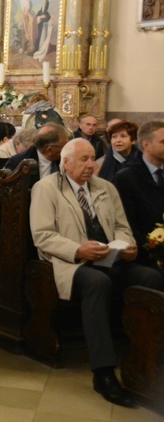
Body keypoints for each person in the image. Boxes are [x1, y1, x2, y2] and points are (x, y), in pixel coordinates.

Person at [30, 138, 163, 407]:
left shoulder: (106, 187)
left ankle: (148, 357)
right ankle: (103, 372)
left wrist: (127, 246)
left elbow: (122, 226)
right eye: (83, 159)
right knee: (97, 282)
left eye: (93, 158)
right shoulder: (45, 188)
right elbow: (42, 236)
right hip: (69, 262)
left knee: (150, 277)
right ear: (65, 163)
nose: (91, 164)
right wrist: (79, 250)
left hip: (108, 258)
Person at [115, 121, 164, 267]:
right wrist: (155, 250)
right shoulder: (127, 177)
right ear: (146, 145)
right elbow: (128, 224)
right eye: (163, 142)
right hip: (147, 252)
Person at [5, 122, 68, 187]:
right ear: (49, 150)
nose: (67, 149)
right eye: (64, 146)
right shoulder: (18, 163)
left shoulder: (67, 160)